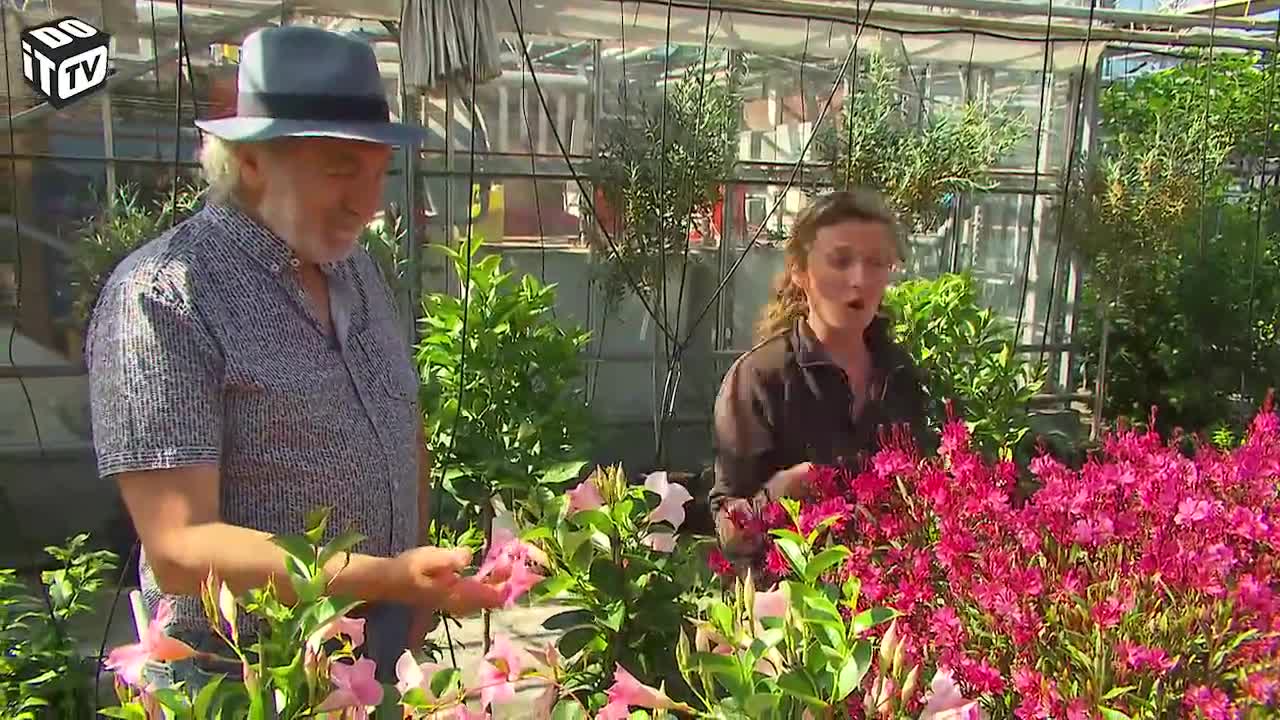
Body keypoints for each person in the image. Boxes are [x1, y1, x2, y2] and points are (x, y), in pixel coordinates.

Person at [85, 26, 505, 687]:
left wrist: (411, 596)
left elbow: (401, 425)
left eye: (379, 172)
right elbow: (179, 548)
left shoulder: (356, 271)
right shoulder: (166, 295)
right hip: (243, 675)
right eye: (340, 169)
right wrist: (385, 578)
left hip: (373, 651)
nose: (367, 203)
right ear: (251, 161)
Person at [708, 189, 933, 564]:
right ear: (800, 271)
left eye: (876, 262)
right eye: (840, 261)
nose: (860, 279)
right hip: (791, 594)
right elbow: (730, 534)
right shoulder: (760, 379)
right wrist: (777, 493)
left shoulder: (900, 375)